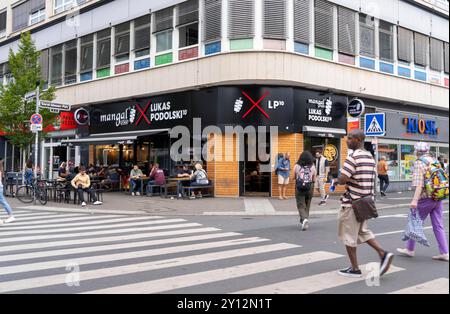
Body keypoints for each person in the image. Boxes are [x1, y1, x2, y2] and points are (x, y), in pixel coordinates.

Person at [335, 129, 394, 278]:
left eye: (350, 138)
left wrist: (338, 179)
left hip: (352, 203)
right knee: (362, 232)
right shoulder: (369, 157)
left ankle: (354, 268)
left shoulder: (353, 157)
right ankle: (383, 254)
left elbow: (343, 178)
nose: (347, 141)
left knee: (349, 237)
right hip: (365, 202)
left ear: (358, 140)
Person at [397, 142, 449, 262]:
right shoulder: (434, 161)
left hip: (426, 198)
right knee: (438, 225)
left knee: (414, 222)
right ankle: (445, 252)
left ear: (417, 152)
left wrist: (414, 200)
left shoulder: (419, 163)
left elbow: (419, 185)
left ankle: (410, 250)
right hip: (438, 196)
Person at [294, 151, 316, 231]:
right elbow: (314, 179)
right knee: (308, 203)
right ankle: (305, 218)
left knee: (300, 204)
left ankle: (304, 219)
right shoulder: (313, 167)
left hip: (299, 187)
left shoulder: (297, 166)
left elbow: (294, 177)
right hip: (310, 187)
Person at [0, 159, 16, 225]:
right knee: (3, 202)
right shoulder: (0, 170)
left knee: (3, 202)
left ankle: (11, 215)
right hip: (0, 187)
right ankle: (11, 215)